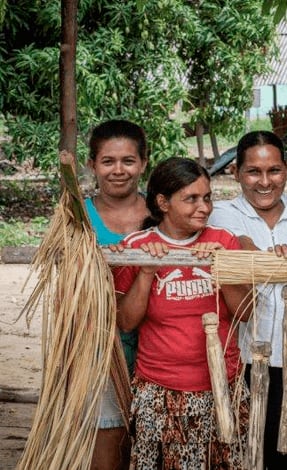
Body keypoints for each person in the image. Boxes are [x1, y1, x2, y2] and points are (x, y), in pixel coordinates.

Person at [113, 157, 252, 469]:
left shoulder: (223, 242)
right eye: (191, 199)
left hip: (221, 386)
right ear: (163, 202)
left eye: (207, 197)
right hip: (161, 390)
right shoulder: (138, 246)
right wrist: (147, 273)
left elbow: (245, 313)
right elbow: (125, 322)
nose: (203, 207)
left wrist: (222, 270)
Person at [208, 130, 287, 470]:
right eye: (253, 172)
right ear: (235, 172)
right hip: (244, 362)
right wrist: (251, 250)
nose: (264, 182)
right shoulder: (217, 216)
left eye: (274, 171)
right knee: (242, 457)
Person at [86, 119, 149, 470]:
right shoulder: (78, 215)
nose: (118, 170)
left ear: (143, 163)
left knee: (147, 434)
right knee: (107, 432)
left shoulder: (161, 212)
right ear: (92, 164)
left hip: (157, 342)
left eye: (128, 160)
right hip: (99, 345)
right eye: (108, 161)